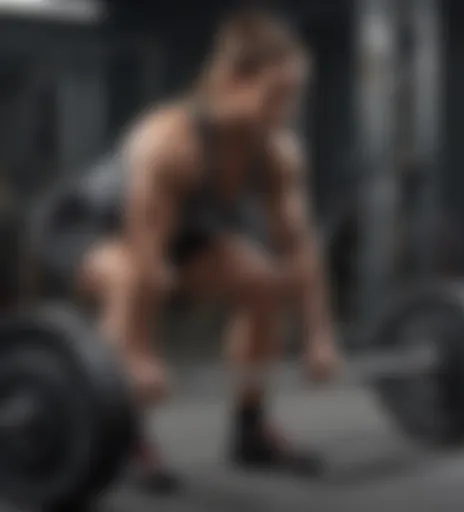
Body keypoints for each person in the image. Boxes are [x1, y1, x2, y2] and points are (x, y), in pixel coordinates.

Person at [73, 8, 341, 491]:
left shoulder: (276, 152)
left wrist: (320, 336)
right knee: (129, 276)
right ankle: (127, 437)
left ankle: (251, 429)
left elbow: (300, 250)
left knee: (263, 281)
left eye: (294, 97)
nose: (289, 110)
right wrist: (135, 359)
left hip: (179, 237)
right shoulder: (169, 140)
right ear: (234, 80)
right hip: (94, 229)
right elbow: (147, 263)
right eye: (277, 95)